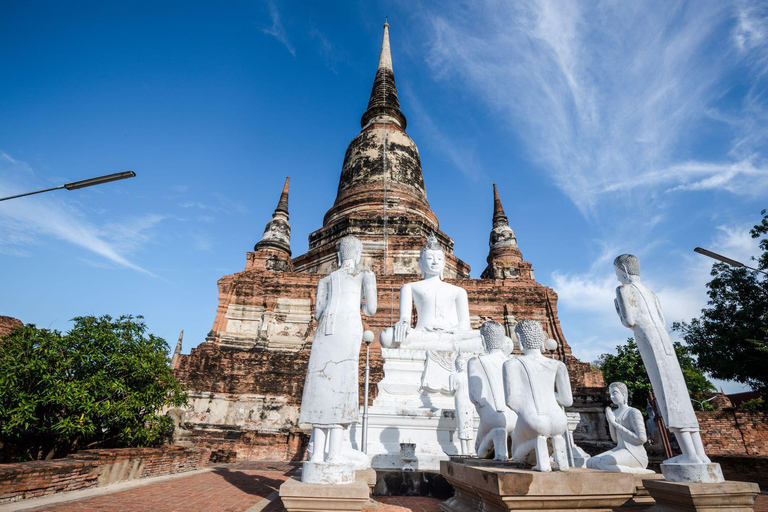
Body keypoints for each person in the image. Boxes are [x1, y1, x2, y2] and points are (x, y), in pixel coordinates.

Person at [613, 254, 710, 465]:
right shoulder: (651, 293)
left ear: (623, 272)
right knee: (680, 394)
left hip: (648, 341)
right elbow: (662, 320)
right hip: (664, 342)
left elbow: (629, 320)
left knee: (667, 396)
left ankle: (691, 456)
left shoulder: (623, 290)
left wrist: (618, 308)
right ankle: (701, 454)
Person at [299, 236, 377, 464]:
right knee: (343, 384)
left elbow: (318, 313)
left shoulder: (325, 280)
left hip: (325, 331)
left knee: (321, 385)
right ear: (359, 255)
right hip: (349, 328)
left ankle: (316, 455)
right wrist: (358, 306)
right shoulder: (365, 275)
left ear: (339, 254)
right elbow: (371, 309)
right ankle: (335, 453)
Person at [503, 319, 572, 472]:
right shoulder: (558, 364)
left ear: (519, 340)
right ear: (542, 340)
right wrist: (549, 395)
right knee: (554, 435)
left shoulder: (512, 363)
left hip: (533, 418)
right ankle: (561, 461)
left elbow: (511, 400)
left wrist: (528, 409)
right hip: (559, 419)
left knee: (517, 454)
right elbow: (567, 400)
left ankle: (538, 444)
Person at [467, 321, 517, 461]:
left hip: (492, 416)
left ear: (482, 340)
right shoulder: (514, 362)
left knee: (479, 450)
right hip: (515, 416)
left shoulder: (476, 361)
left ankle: (497, 437)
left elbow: (475, 396)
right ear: (503, 341)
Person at [587, 382, 654, 473]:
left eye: (614, 393)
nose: (612, 397)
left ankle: (637, 471)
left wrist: (614, 423)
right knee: (590, 463)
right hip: (621, 449)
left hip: (634, 453)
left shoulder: (633, 412)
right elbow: (615, 440)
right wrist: (610, 421)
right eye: (610, 394)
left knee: (600, 464)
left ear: (624, 394)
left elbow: (641, 439)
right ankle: (632, 471)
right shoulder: (614, 413)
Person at [449, 354, 475, 456]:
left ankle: (471, 450)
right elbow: (451, 392)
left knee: (470, 424)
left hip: (469, 401)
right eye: (459, 363)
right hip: (460, 401)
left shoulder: (469, 375)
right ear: (456, 364)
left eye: (463, 363)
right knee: (462, 425)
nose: (461, 365)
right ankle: (464, 450)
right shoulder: (453, 376)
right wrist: (454, 388)